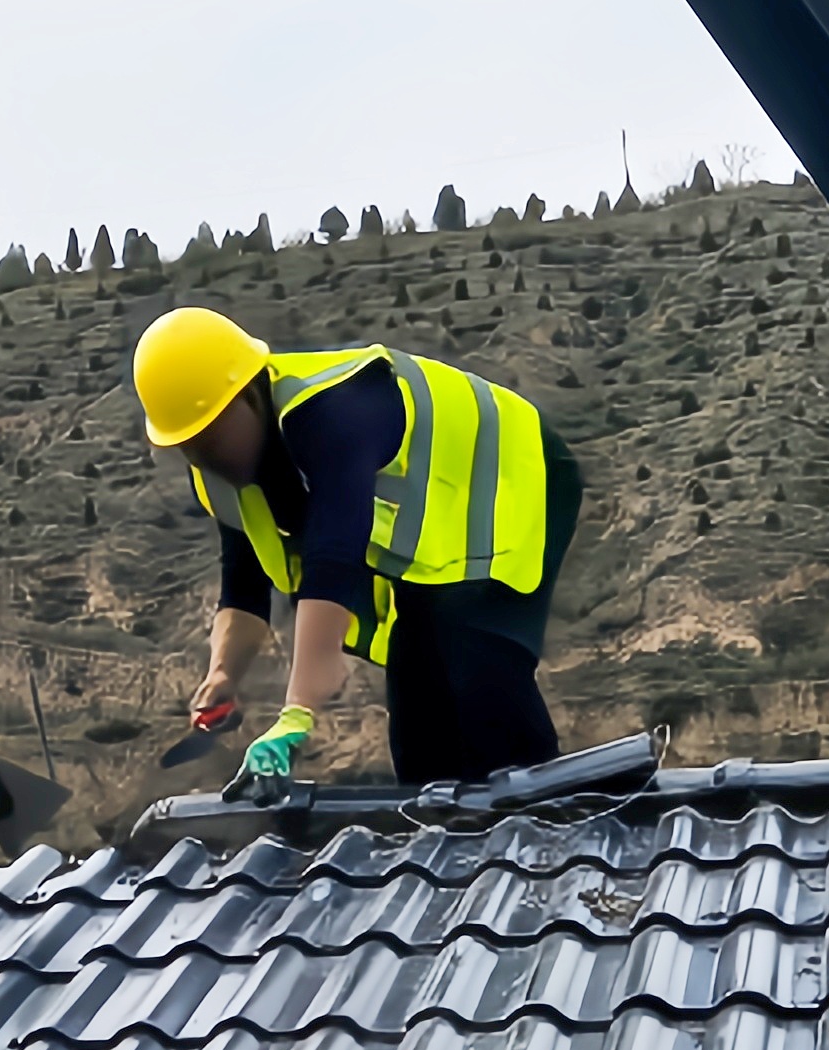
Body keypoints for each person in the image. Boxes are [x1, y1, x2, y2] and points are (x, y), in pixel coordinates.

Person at [133, 306, 582, 790]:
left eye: (212, 437)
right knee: (418, 691)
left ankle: (546, 811)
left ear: (248, 396)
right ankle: (441, 816)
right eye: (188, 445)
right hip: (442, 543)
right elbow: (243, 587)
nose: (204, 457)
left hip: (518, 471)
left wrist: (296, 717)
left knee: (475, 654)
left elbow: (334, 560)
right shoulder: (220, 477)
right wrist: (223, 675)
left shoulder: (330, 413)